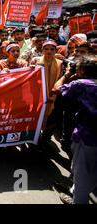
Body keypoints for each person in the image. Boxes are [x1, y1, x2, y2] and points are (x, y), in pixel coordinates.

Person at [56, 56, 97, 204]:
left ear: (81, 70)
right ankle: (76, 192)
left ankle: (78, 200)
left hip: (87, 136)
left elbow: (57, 89)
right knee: (93, 171)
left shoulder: (81, 84)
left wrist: (67, 74)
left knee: (82, 173)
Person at [31, 41, 63, 130]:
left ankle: (46, 138)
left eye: (52, 49)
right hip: (38, 95)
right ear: (42, 50)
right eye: (46, 49)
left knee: (51, 118)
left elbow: (59, 79)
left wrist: (53, 94)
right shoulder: (36, 61)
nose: (49, 51)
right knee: (37, 115)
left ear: (55, 51)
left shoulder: (60, 63)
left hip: (53, 95)